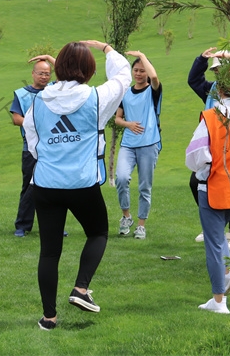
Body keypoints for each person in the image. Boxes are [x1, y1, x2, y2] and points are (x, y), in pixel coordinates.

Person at [23, 40, 131, 330]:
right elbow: (123, 76)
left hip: (46, 184)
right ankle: (81, 289)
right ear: (88, 69)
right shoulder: (97, 98)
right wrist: (107, 48)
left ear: (58, 67)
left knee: (49, 251)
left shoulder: (38, 100)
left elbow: (32, 142)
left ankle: (49, 317)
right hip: (82, 183)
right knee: (98, 233)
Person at [186, 52, 230, 314]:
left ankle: (218, 301)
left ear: (219, 87)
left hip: (214, 188)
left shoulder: (212, 117)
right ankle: (228, 274)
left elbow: (194, 159)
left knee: (214, 245)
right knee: (220, 241)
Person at [187, 47, 230, 248]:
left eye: (222, 70)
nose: (219, 74)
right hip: (212, 145)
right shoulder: (211, 89)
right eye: (216, 71)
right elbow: (193, 80)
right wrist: (201, 59)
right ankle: (212, 225)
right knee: (197, 183)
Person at [115, 51, 161, 240]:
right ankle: (126, 216)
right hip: (128, 144)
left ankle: (141, 225)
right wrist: (129, 124)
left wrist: (142, 55)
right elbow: (117, 119)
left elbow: (155, 77)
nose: (139, 73)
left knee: (144, 186)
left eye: (142, 70)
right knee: (121, 178)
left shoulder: (153, 91)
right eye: (136, 70)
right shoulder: (125, 93)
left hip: (149, 143)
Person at [10, 57, 55, 237]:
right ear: (33, 74)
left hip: (52, 146)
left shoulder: (54, 90)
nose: (44, 77)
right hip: (30, 147)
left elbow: (67, 73)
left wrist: (50, 58)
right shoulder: (21, 94)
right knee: (29, 186)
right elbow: (16, 119)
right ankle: (22, 225)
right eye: (41, 73)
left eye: (47, 73)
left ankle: (53, 224)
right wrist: (35, 125)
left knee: (54, 187)